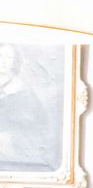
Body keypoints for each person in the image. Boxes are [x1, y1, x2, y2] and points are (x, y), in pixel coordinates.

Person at [0, 42, 59, 173]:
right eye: (0, 56)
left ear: (14, 61)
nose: (3, 61)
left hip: (15, 152)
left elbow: (29, 130)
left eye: (8, 57)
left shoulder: (24, 94)